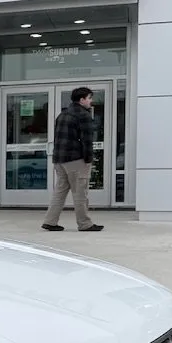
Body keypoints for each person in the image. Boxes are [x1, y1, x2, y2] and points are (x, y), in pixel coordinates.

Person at [42, 86, 102, 233]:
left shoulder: (62, 114)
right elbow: (87, 140)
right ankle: (85, 224)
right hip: (76, 160)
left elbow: (58, 138)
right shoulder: (83, 115)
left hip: (59, 159)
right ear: (82, 100)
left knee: (60, 191)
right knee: (80, 192)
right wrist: (89, 159)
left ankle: (50, 221)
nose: (91, 101)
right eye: (89, 98)